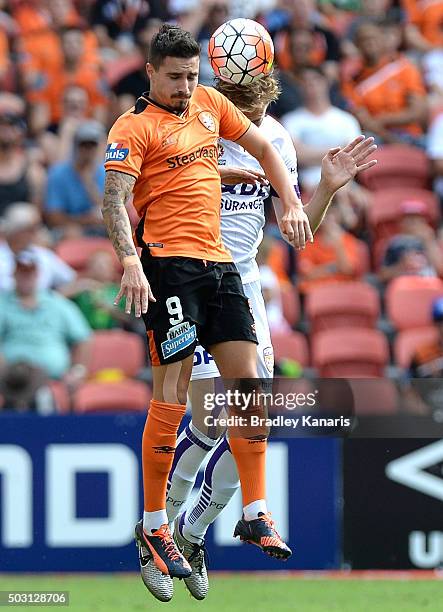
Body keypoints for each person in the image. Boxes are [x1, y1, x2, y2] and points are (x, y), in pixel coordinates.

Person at [102, 23, 376, 601]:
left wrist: (323, 188)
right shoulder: (185, 117)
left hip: (240, 281)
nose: (235, 91)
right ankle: (160, 529)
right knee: (204, 414)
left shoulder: (268, 137)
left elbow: (298, 230)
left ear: (266, 84)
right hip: (182, 270)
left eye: (248, 83)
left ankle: (194, 530)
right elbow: (140, 183)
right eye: (226, 79)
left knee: (250, 414)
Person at [0, 250, 91, 382]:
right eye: (22, 273)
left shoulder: (57, 303)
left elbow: (83, 338)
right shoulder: (2, 303)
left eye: (30, 273)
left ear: (37, 274)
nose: (26, 278)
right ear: (14, 274)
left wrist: (78, 371)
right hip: (12, 379)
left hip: (53, 377)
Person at [45, 120, 106, 235]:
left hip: (101, 230)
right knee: (72, 232)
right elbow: (54, 218)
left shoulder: (106, 172)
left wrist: (89, 184)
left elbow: (111, 213)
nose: (88, 150)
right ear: (75, 146)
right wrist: (85, 220)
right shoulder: (58, 173)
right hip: (68, 229)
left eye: (92, 145)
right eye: (84, 145)